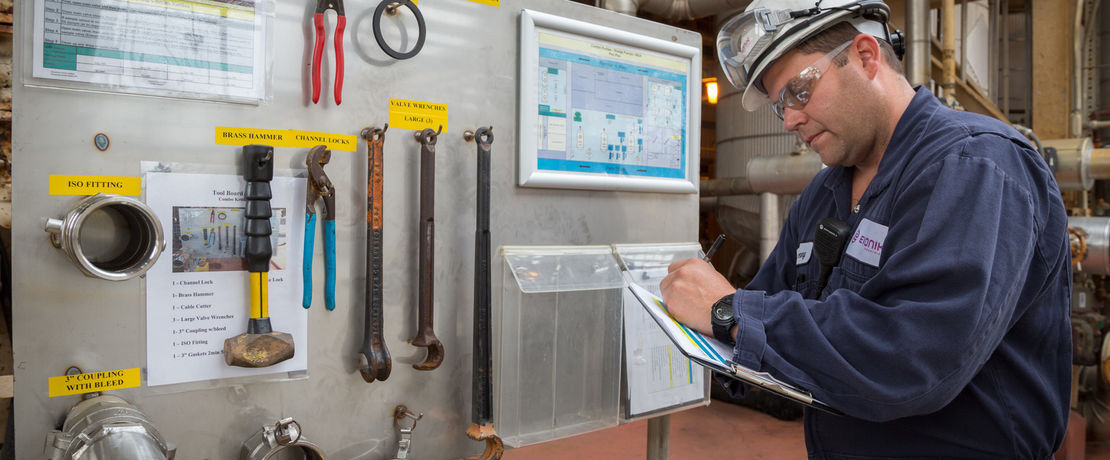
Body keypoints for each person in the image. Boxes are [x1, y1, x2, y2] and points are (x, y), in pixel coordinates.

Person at [659, 0, 1072, 457]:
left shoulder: (976, 166)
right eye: (780, 106)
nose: (791, 119)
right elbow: (763, 309)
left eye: (799, 90)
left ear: (865, 56)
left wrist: (728, 313)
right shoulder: (822, 194)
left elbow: (913, 357)